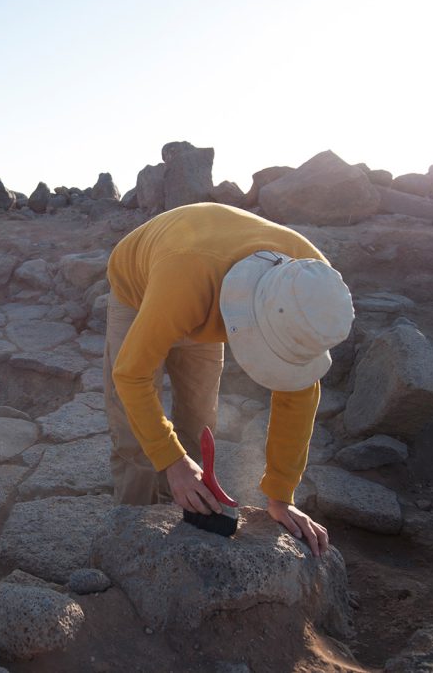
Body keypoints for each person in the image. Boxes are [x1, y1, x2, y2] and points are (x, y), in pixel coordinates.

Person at [103, 202, 354, 556]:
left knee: (200, 415)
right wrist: (171, 460)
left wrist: (281, 496)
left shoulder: (314, 287)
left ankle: (186, 505)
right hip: (143, 285)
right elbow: (131, 375)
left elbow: (298, 393)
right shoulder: (186, 279)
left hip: (201, 283)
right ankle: (130, 539)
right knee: (135, 436)